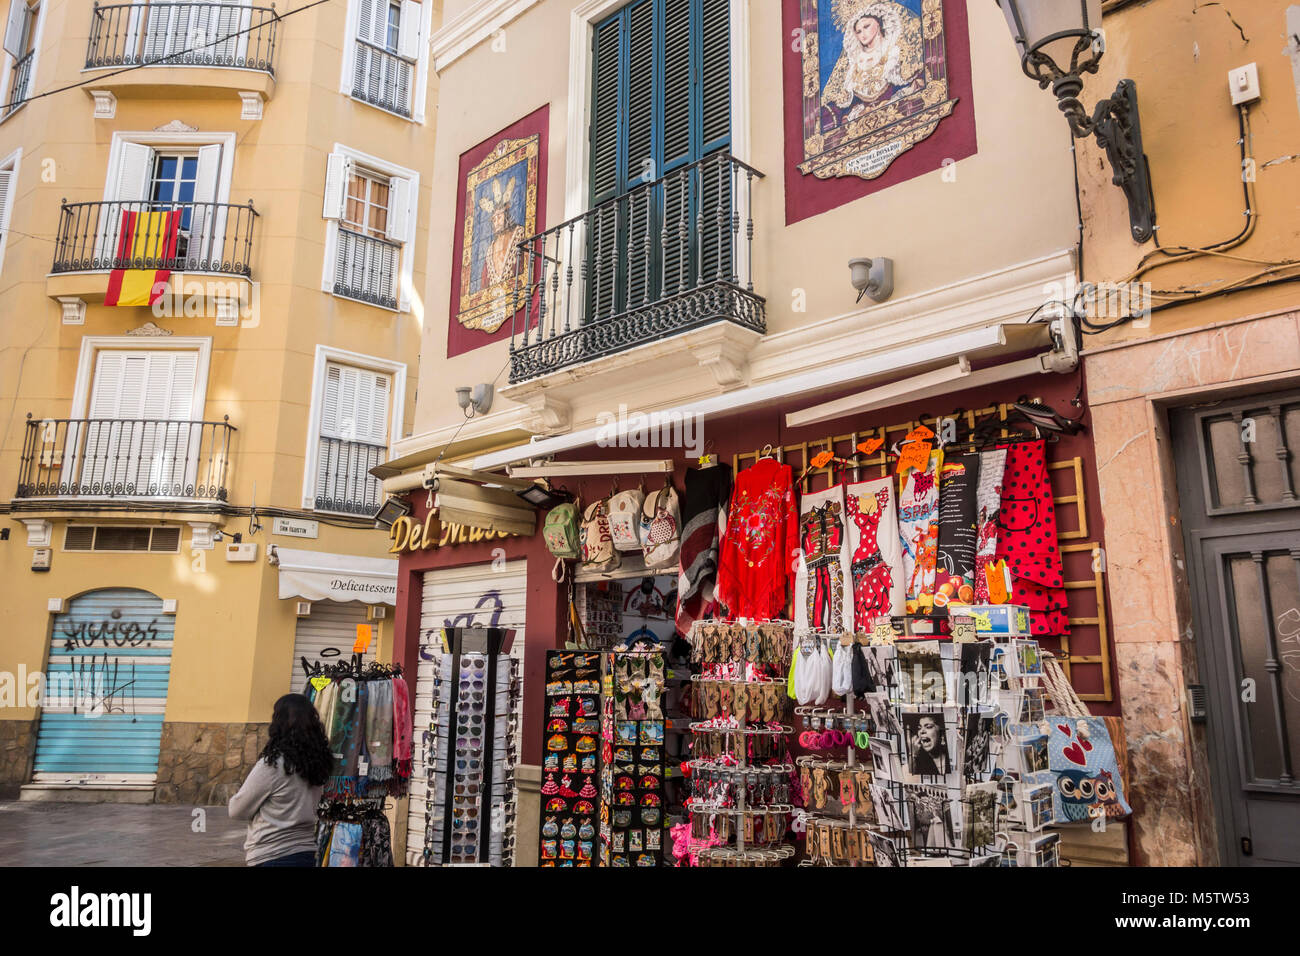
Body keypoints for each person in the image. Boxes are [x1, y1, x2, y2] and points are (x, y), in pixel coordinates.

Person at [228, 693, 331, 867]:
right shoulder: (318, 763)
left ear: (278, 723)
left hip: (272, 854)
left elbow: (237, 810)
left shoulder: (274, 764)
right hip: (305, 853)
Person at [821, 3, 925, 127]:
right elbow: (840, 103)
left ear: (878, 23)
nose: (862, 34)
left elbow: (916, 77)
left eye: (866, 26)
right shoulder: (854, 64)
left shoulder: (895, 51)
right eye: (858, 31)